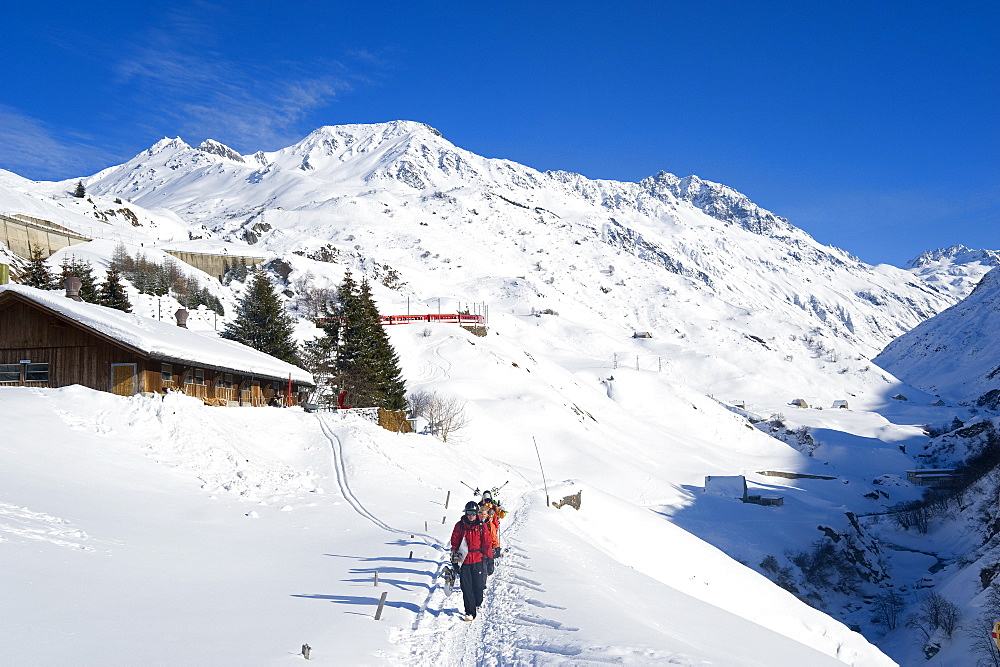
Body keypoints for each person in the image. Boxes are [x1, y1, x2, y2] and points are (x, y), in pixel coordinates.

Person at [450, 500, 493, 621]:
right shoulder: (460, 525)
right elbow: (455, 543)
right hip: (464, 561)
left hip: (478, 560)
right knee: (466, 587)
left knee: (478, 587)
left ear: (477, 513)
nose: (471, 515)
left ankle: (478, 603)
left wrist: (490, 560)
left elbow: (487, 543)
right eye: (469, 513)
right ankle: (469, 612)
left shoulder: (481, 526)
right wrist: (454, 560)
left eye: (473, 513)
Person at [478, 502, 498, 576]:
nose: (482, 516)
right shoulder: (475, 523)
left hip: (487, 547)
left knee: (487, 567)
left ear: (487, 515)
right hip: (477, 548)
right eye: (481, 514)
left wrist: (496, 547)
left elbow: (494, 537)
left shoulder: (490, 525)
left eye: (484, 514)